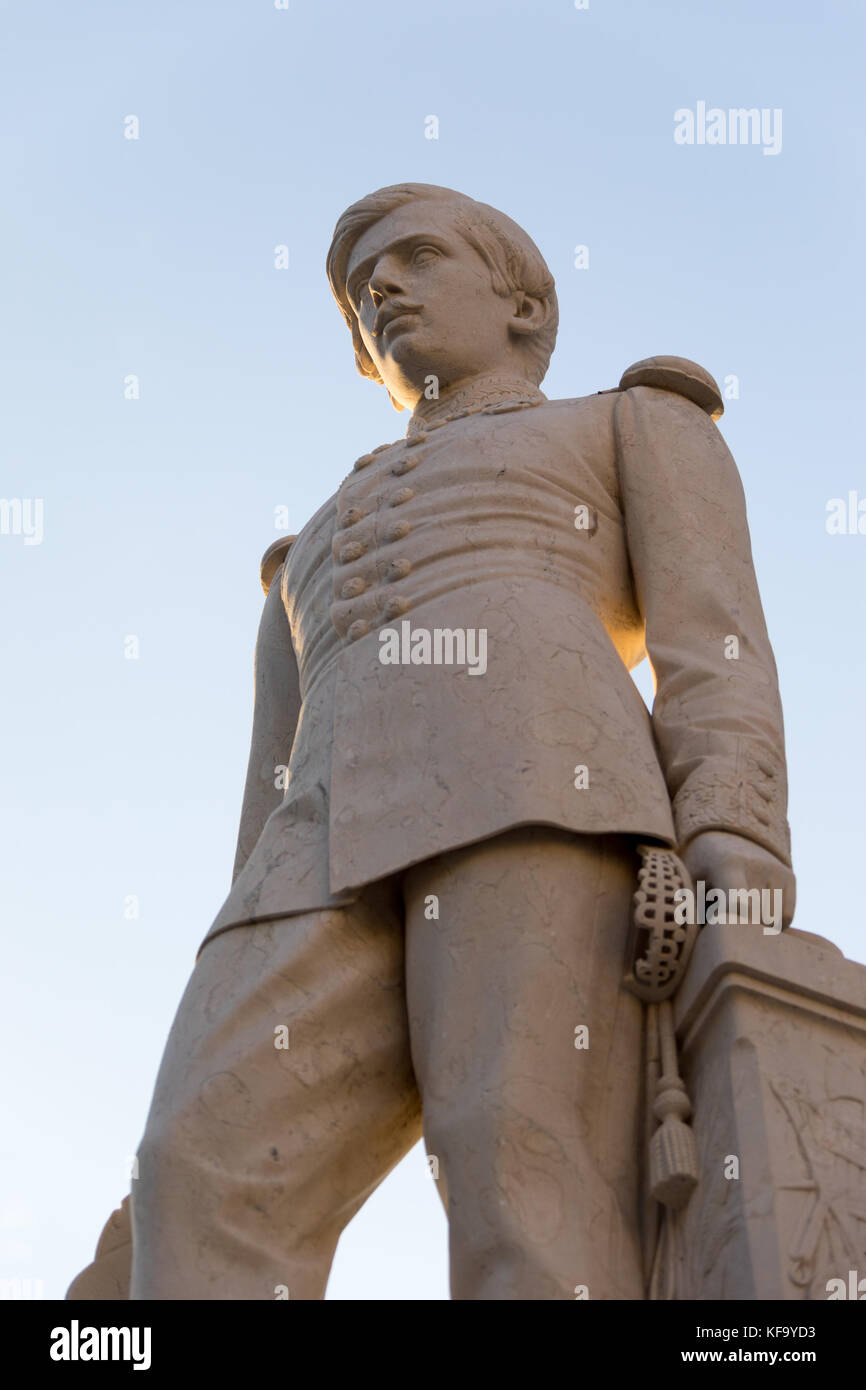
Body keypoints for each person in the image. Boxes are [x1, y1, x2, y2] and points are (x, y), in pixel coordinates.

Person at [68, 183, 794, 1301]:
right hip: (310, 861)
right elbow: (267, 778)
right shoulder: (300, 554)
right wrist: (238, 925)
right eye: (364, 292)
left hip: (544, 796)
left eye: (414, 259)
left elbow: (715, 647)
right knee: (194, 1165)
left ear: (523, 304)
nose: (384, 291)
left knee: (517, 1161)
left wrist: (732, 836)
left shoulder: (632, 420)